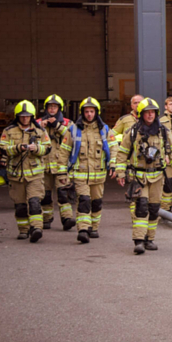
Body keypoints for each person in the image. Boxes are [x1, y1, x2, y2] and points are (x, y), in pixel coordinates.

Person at [114, 98, 172, 255]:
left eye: (153, 112)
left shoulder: (163, 131)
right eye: (147, 112)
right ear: (141, 114)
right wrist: (120, 173)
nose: (150, 115)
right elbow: (122, 153)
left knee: (154, 208)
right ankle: (138, 241)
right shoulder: (133, 132)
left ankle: (149, 239)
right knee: (141, 207)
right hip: (139, 177)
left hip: (157, 177)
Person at [55, 97, 113, 244]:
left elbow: (114, 149)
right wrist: (62, 172)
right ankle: (83, 230)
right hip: (80, 175)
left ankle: (94, 227)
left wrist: (114, 165)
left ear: (96, 112)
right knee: (84, 201)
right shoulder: (73, 130)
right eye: (86, 111)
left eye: (92, 111)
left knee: (96, 203)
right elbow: (64, 152)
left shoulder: (104, 130)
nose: (89, 114)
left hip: (99, 175)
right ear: (82, 112)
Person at [0, 100, 51, 242]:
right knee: (20, 205)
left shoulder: (40, 131)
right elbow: (3, 148)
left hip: (35, 175)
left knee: (34, 202)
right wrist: (17, 148)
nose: (25, 118)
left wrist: (37, 148)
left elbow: (47, 148)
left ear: (32, 116)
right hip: (16, 175)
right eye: (22, 116)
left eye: (27, 116)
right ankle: (23, 230)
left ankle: (36, 228)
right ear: (17, 116)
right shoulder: (9, 131)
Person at [38, 94, 75, 230]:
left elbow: (72, 137)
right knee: (45, 195)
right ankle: (46, 219)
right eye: (50, 106)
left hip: (61, 166)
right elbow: (31, 138)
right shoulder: (38, 122)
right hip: (44, 165)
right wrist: (40, 128)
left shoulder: (67, 123)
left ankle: (67, 219)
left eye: (55, 106)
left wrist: (57, 126)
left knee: (63, 194)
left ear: (60, 108)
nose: (52, 109)